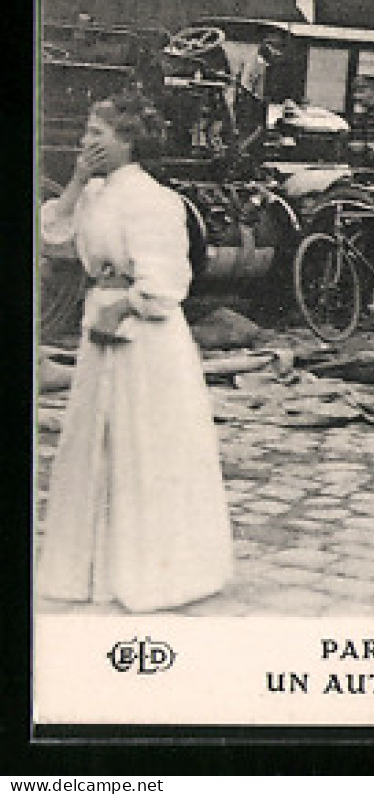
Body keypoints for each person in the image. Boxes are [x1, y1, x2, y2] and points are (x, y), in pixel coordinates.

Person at [37, 91, 234, 611]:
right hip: (102, 326)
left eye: (96, 135)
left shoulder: (153, 200)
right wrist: (77, 180)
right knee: (98, 445)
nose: (85, 143)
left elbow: (166, 284)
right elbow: (54, 233)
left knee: (142, 447)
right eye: (85, 133)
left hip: (145, 341)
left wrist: (121, 306)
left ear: (128, 141)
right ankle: (92, 568)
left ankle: (153, 571)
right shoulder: (97, 195)